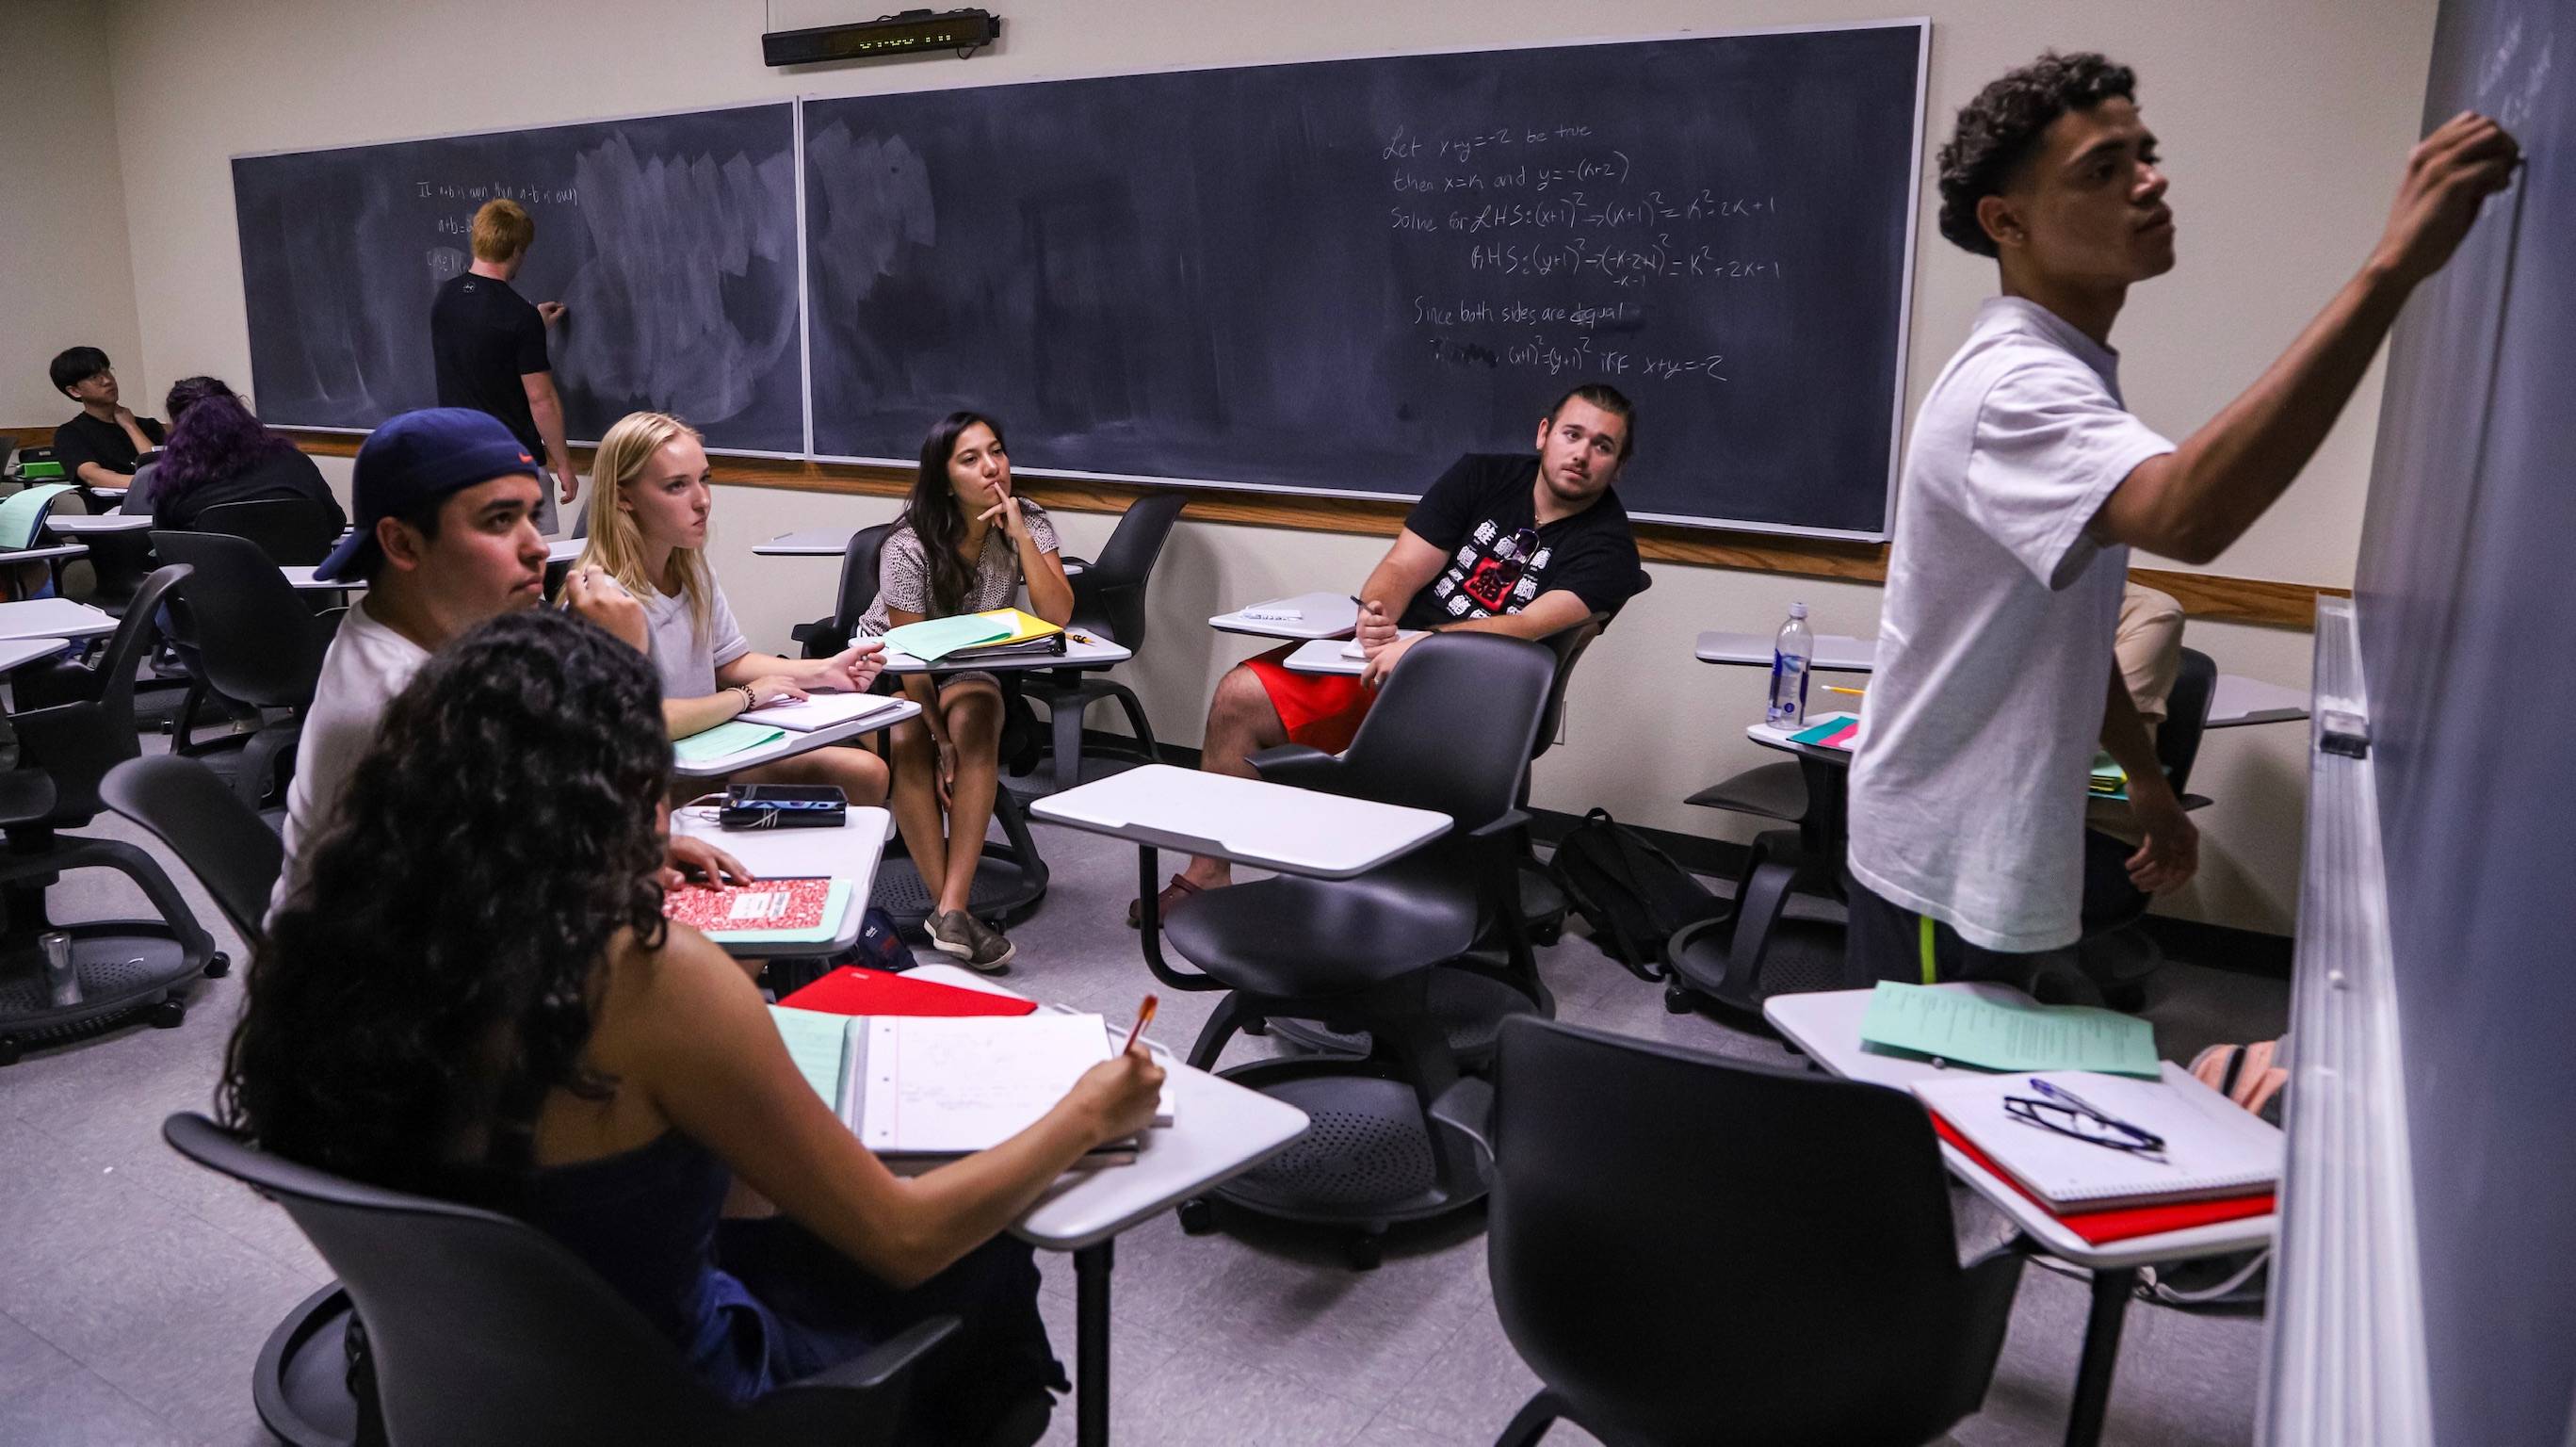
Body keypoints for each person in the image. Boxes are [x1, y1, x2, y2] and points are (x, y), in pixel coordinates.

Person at [225, 610, 1162, 1444]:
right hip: (675, 1403)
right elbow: (902, 1239)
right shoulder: (645, 974)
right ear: (615, 790)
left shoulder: (333, 936)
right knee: (982, 1262)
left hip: (448, 1375)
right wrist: (1085, 1116)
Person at [1843, 52, 2519, 995]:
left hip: (1995, 843)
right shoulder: (2013, 388)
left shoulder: (2069, 376)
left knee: (1971, 1106)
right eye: (2100, 170)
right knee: (1919, 1118)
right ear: (2008, 223)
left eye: (2143, 153)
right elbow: (2189, 516)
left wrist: (2147, 782)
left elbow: (2064, 635)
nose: (2147, 179)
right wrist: (2390, 268)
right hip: (1938, 860)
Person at [1131, 384, 1645, 927]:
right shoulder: (1481, 477)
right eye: (1572, 435)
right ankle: (1208, 874)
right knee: (1241, 692)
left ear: (1618, 466)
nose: (1582, 455)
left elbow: (1524, 625)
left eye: (1603, 446)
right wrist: (1377, 614)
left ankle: (1358, 890)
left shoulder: (1611, 549)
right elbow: (1403, 566)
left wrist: (1429, 648)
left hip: (1483, 693)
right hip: (1396, 654)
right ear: (1544, 434)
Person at [268, 407, 705, 920]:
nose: (538, 546)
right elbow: (608, 835)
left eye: (532, 515)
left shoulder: (467, 632)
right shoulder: (403, 702)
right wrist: (620, 666)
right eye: (500, 521)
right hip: (379, 986)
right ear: (402, 543)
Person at [575, 410, 889, 806]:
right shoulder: (600, 600)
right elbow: (646, 721)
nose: (702, 501)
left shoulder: (692, 569)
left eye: (704, 479)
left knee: (865, 774)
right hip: (643, 782)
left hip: (709, 753)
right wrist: (745, 697)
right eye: (676, 486)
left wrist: (824, 670)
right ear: (624, 497)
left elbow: (729, 661)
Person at [854, 413, 1073, 971]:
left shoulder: (1031, 520)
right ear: (944, 478)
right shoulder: (908, 544)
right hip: (894, 664)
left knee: (977, 717)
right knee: (909, 734)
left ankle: (949, 909)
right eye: (970, 458)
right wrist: (938, 743)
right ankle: (953, 913)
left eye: (996, 451)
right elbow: (908, 656)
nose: (991, 467)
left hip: (971, 662)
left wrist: (1020, 535)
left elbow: (1057, 615)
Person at [430, 198, 579, 529]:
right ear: (515, 250)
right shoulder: (517, 316)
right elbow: (541, 400)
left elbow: (482, 346)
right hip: (511, 466)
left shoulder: (445, 300)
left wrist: (534, 330)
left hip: (458, 463)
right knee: (520, 566)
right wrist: (564, 463)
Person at [135, 377, 347, 535]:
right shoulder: (292, 460)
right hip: (301, 592)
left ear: (179, 427)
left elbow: (166, 546)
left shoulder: (176, 480)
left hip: (213, 591)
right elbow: (334, 523)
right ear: (238, 411)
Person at [47, 346, 164, 492]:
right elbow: (92, 475)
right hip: (108, 510)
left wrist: (131, 427)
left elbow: (163, 469)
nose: (107, 381)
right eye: (94, 377)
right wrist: (152, 483)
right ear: (75, 391)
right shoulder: (71, 433)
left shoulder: (148, 425)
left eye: (107, 371)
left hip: (159, 507)